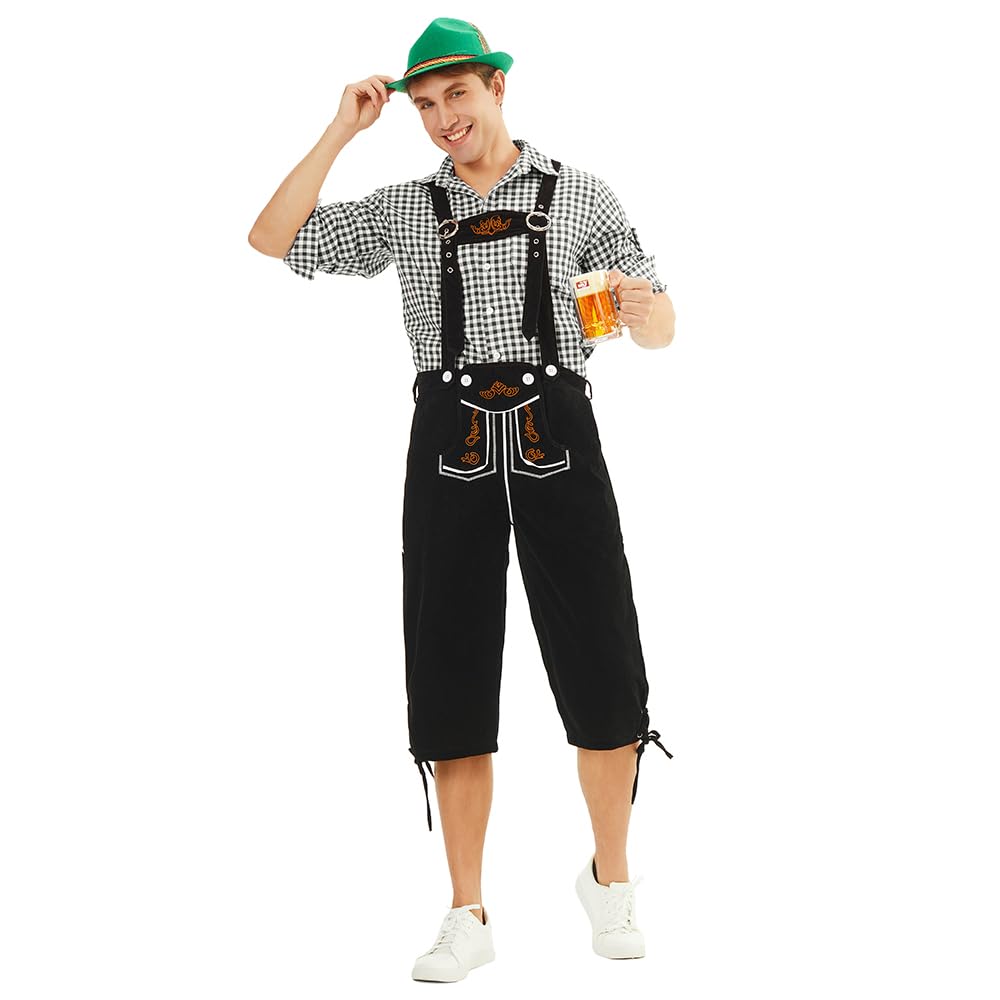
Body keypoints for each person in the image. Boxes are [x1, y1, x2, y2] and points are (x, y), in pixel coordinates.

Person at [248, 16, 676, 983]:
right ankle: (467, 911)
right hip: (447, 445)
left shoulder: (580, 193)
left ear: (497, 89)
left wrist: (642, 309)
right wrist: (341, 130)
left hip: (561, 434)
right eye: (426, 103)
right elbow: (271, 237)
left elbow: (661, 328)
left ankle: (611, 881)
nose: (445, 117)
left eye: (459, 95)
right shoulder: (404, 207)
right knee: (448, 666)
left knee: (603, 659)